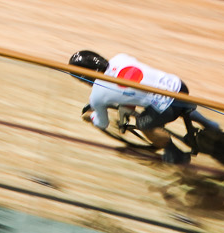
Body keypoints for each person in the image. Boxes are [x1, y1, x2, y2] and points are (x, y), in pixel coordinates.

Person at [68, 49, 214, 165]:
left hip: (168, 107)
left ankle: (174, 153)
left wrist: (91, 116)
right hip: (178, 85)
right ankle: (210, 123)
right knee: (174, 103)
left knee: (143, 124)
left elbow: (102, 123)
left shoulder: (97, 95)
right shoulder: (120, 57)